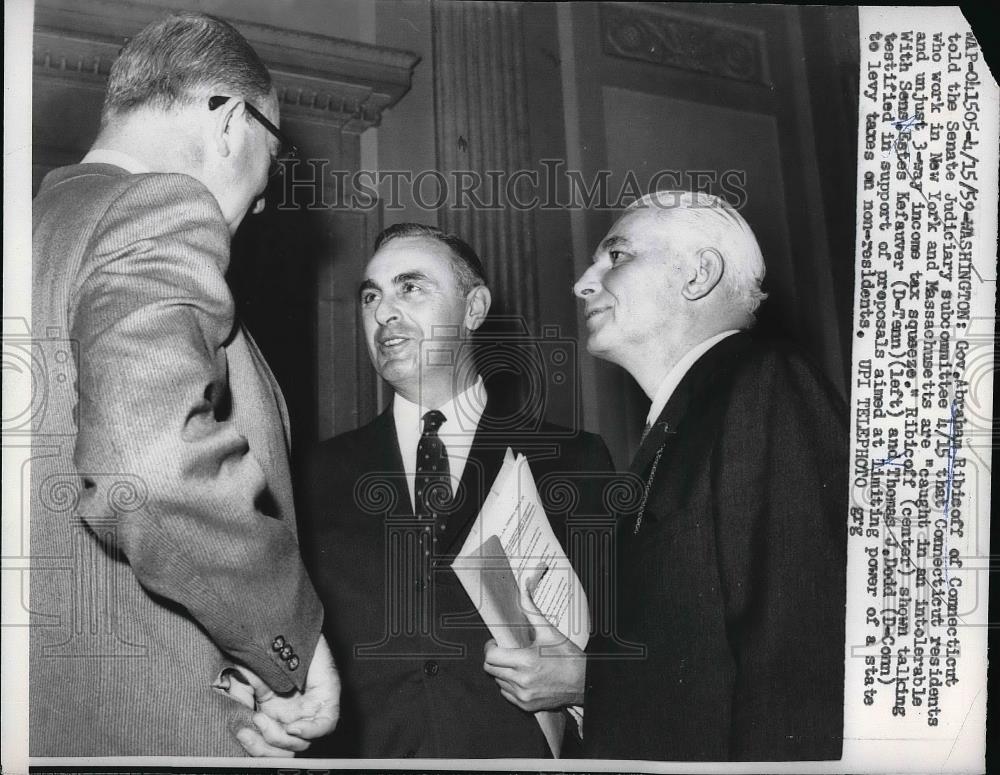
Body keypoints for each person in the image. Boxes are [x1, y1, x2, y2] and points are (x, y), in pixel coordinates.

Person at [30, 12, 338, 757]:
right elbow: (150, 467)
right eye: (271, 156)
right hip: (146, 730)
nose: (261, 200)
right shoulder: (160, 208)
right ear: (230, 120)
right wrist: (287, 638)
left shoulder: (35, 229)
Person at [298, 223, 614, 757]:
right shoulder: (309, 475)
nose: (383, 312)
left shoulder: (573, 461)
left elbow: (641, 640)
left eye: (411, 287)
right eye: (371, 295)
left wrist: (588, 684)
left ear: (474, 309)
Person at [570, 191, 848, 760]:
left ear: (699, 273)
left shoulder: (766, 386)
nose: (583, 281)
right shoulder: (684, 423)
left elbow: (804, 668)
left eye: (616, 256)